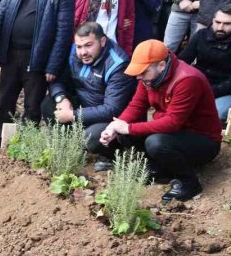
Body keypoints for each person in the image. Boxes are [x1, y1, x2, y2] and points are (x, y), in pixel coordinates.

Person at [87, 39, 222, 201]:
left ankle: (189, 183)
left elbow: (173, 122)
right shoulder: (150, 78)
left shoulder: (187, 79)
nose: (139, 77)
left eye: (143, 72)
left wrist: (128, 129)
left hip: (201, 140)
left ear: (161, 66)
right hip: (172, 133)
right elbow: (137, 105)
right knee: (105, 133)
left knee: (155, 142)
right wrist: (115, 127)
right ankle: (159, 169)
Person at [0, 0, 76, 146]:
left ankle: (24, 148)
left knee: (32, 106)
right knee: (3, 103)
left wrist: (53, 65)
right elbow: (1, 16)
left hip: (38, 58)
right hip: (10, 54)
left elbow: (64, 32)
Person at [48, 21, 136, 129]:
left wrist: (73, 115)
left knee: (91, 137)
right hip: (81, 106)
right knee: (48, 104)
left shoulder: (118, 65)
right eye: (79, 47)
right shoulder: (73, 52)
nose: (83, 52)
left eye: (88, 45)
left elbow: (111, 109)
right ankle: (64, 142)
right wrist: (61, 98)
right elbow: (56, 79)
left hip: (107, 118)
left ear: (102, 41)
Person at [179, 5, 231, 122]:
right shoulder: (201, 35)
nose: (220, 27)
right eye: (217, 22)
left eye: (227, 24)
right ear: (212, 20)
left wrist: (205, 92)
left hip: (224, 91)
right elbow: (182, 62)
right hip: (196, 84)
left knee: (215, 113)